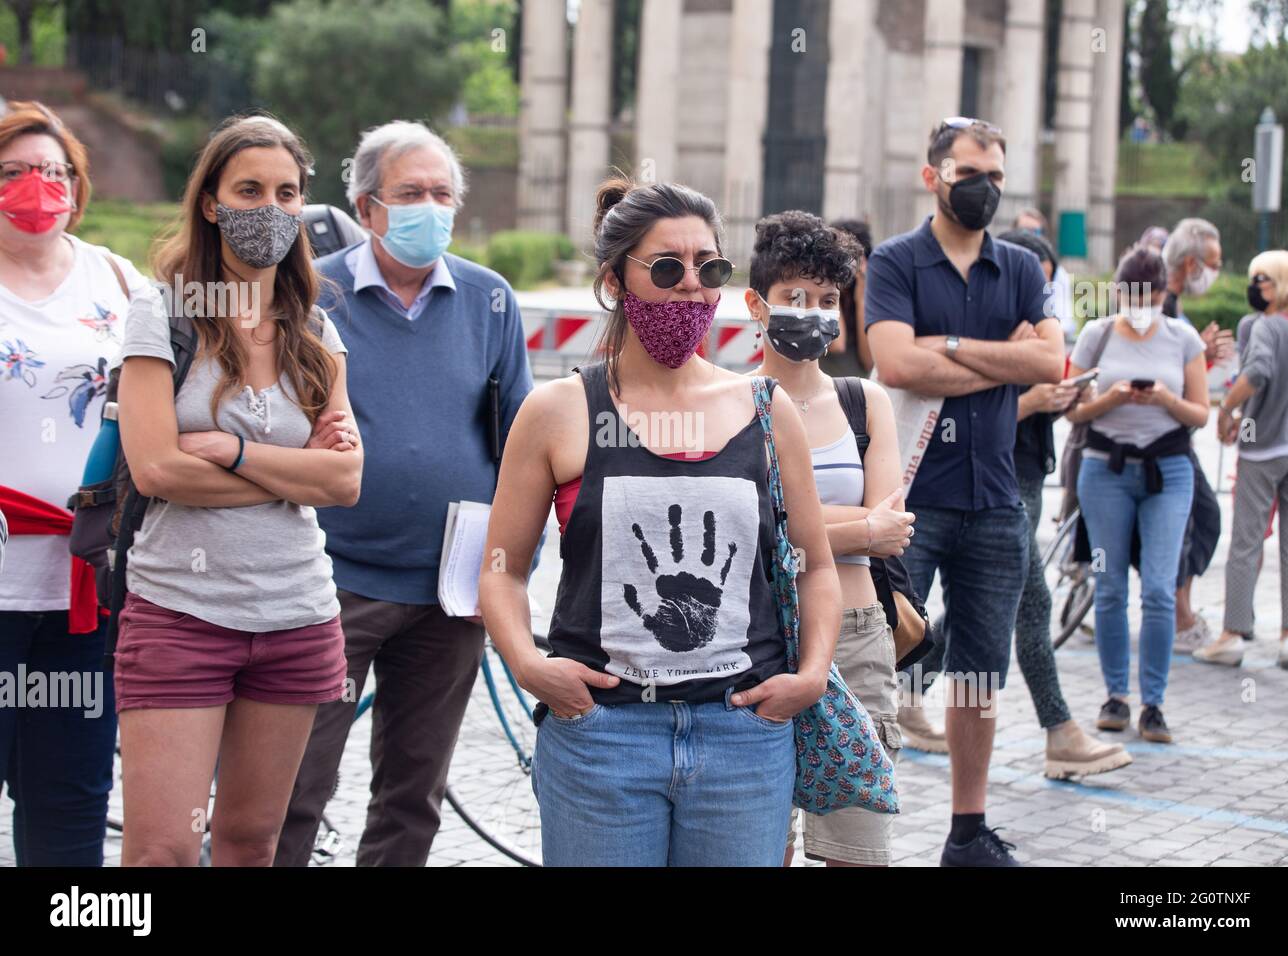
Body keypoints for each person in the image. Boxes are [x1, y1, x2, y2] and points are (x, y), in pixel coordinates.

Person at [478, 177, 842, 867]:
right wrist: (529, 664)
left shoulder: (767, 408)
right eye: (668, 268)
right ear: (616, 280)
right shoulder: (560, 410)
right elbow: (502, 569)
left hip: (742, 735)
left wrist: (813, 675)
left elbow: (816, 564)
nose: (692, 288)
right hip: (602, 740)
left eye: (710, 269)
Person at [276, 121, 533, 867]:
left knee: (414, 791)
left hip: (448, 592)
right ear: (366, 207)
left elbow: (524, 440)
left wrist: (507, 567)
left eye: (442, 193)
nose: (431, 208)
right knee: (295, 781)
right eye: (411, 193)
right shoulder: (309, 292)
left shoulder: (489, 300)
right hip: (328, 582)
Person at [114, 114, 363, 866]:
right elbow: (156, 470)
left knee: (253, 841)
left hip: (295, 614)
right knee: (162, 848)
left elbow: (346, 480)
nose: (271, 208)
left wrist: (227, 449)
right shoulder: (161, 313)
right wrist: (290, 474)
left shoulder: (315, 328)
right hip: (180, 615)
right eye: (249, 189)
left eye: (287, 193)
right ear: (212, 204)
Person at [868, 118, 1064, 866]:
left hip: (996, 499)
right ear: (934, 176)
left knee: (979, 673)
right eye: (970, 172)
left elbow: (1051, 361)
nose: (985, 188)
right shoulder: (896, 262)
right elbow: (895, 364)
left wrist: (943, 346)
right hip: (908, 503)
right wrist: (1005, 359)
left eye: (997, 177)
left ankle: (967, 831)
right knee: (876, 660)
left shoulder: (1018, 265)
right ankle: (856, 825)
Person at [0, 100, 150, 866]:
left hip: (84, 591)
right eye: (15, 172)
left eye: (54, 172)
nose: (38, 187)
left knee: (72, 796)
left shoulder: (117, 280)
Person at [743, 209, 914, 867]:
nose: (811, 312)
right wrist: (855, 529)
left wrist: (804, 526)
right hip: (760, 640)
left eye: (826, 299)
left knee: (858, 846)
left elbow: (891, 527)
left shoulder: (862, 402)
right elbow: (749, 529)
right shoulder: (732, 400)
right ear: (758, 304)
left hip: (858, 634)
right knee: (760, 843)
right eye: (795, 297)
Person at [998, 229, 1133, 778]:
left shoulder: (1040, 334)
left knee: (997, 605)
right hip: (992, 485)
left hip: (1027, 476)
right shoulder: (987, 331)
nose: (1043, 295)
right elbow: (959, 424)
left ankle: (909, 692)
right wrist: (1031, 400)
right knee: (1025, 604)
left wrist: (1061, 401)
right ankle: (1060, 733)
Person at [1066, 247, 1209, 745]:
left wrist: (1164, 399)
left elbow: (1200, 414)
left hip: (1168, 471)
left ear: (1164, 295)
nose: (1139, 305)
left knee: (1157, 588)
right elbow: (1072, 410)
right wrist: (1114, 397)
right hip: (1105, 470)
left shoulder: (1183, 337)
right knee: (1108, 586)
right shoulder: (1096, 334)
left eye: (1148, 297)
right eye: (1130, 296)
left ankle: (1153, 703)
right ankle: (1115, 697)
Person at [1197, 251, 1288, 669]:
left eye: (1262, 278)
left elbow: (1256, 371)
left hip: (1264, 449)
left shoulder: (1265, 327)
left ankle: (1233, 632)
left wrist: (1226, 409)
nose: (1255, 285)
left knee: (1246, 541)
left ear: (1279, 284)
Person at [1161, 218, 1232, 653]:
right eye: (1214, 263)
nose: (1216, 272)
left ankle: (1178, 609)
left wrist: (1199, 356)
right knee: (1199, 523)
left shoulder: (1175, 308)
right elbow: (1167, 380)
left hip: (1174, 437)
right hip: (1168, 443)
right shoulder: (1165, 306)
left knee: (1198, 523)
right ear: (1191, 263)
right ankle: (1179, 613)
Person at [819, 216, 874, 376]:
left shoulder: (869, 292)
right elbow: (837, 344)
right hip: (828, 383)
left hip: (857, 388)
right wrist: (834, 282)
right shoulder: (821, 290)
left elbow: (869, 360)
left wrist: (861, 299)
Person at [1013, 208, 1075, 338]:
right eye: (1022, 230)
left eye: (1034, 231)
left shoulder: (1058, 274)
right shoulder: (999, 265)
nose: (1028, 236)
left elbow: (1065, 322)